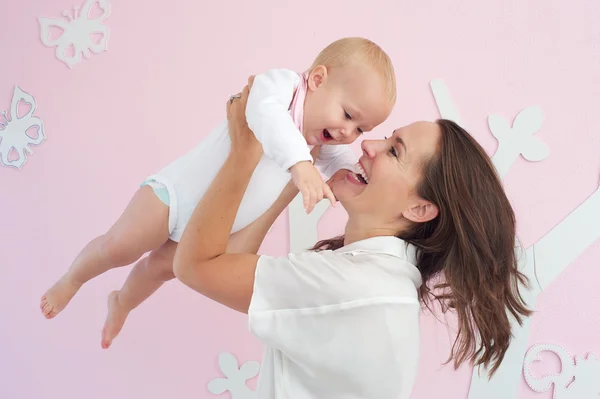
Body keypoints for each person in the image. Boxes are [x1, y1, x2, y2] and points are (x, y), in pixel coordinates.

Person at [173, 78, 531, 398]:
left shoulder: (352, 285)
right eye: (388, 136)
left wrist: (242, 153)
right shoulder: (379, 282)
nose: (368, 145)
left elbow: (195, 266)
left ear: (420, 209)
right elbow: (230, 261)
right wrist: (297, 171)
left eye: (394, 150)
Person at [39, 37, 397, 349]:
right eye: (348, 115)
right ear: (317, 79)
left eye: (360, 128)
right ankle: (73, 277)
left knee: (160, 270)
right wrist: (300, 165)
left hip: (208, 226)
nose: (349, 132)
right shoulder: (284, 88)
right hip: (174, 197)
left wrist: (352, 175)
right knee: (119, 246)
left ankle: (122, 302)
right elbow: (261, 112)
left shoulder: (320, 139)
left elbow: (340, 162)